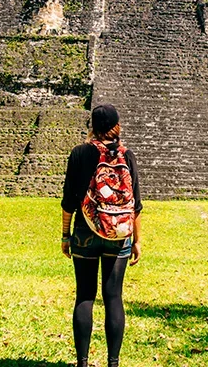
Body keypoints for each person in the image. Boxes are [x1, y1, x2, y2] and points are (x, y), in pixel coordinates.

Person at [60, 104, 142, 367]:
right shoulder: (126, 156)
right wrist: (137, 240)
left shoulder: (79, 153)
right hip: (119, 233)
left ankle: (82, 363)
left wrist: (65, 235)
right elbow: (135, 205)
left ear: (92, 126)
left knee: (85, 295)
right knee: (113, 296)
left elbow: (68, 201)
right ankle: (113, 363)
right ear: (116, 126)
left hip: (85, 229)